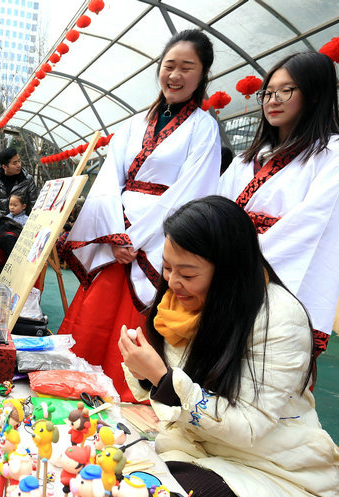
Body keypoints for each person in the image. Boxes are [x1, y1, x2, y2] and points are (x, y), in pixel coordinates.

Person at [118, 196, 339, 497]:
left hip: (273, 471)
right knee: (128, 485)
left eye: (188, 274)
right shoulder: (180, 303)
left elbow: (249, 427)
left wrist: (162, 379)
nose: (173, 282)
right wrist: (147, 372)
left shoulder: (279, 319)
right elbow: (169, 391)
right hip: (200, 449)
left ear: (228, 269)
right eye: (167, 268)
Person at [60, 29, 221, 403]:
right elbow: (106, 183)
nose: (175, 75)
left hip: (157, 244)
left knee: (138, 327)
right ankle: (74, 387)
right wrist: (115, 236)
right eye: (169, 66)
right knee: (94, 322)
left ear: (202, 75)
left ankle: (130, 399)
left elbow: (191, 191)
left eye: (187, 67)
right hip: (117, 240)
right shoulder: (133, 124)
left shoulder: (205, 128)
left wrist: (138, 240)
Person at [217, 51, 339, 357]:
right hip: (227, 270)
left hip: (276, 276)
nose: (273, 99)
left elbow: (311, 221)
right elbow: (218, 208)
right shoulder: (247, 159)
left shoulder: (336, 153)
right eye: (268, 92)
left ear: (313, 94)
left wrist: (241, 263)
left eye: (286, 90)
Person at [0, 147, 39, 218]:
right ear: (4, 167)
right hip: (0, 224)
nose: (19, 165)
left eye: (19, 161)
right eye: (14, 163)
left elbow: (33, 205)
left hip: (21, 224)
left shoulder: (27, 180)